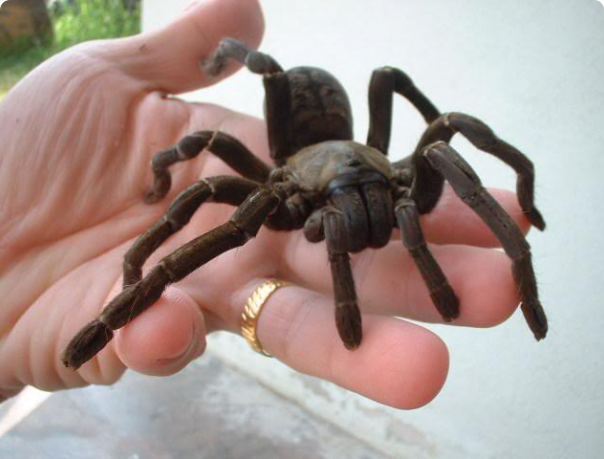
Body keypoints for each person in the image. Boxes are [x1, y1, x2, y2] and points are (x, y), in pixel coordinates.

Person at [0, 0, 530, 409]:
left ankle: (519, 254)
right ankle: (112, 313)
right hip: (303, 158)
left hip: (361, 158)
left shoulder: (405, 175)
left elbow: (443, 137)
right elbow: (207, 144)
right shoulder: (278, 186)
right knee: (208, 184)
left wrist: (506, 185)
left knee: (443, 128)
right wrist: (159, 185)